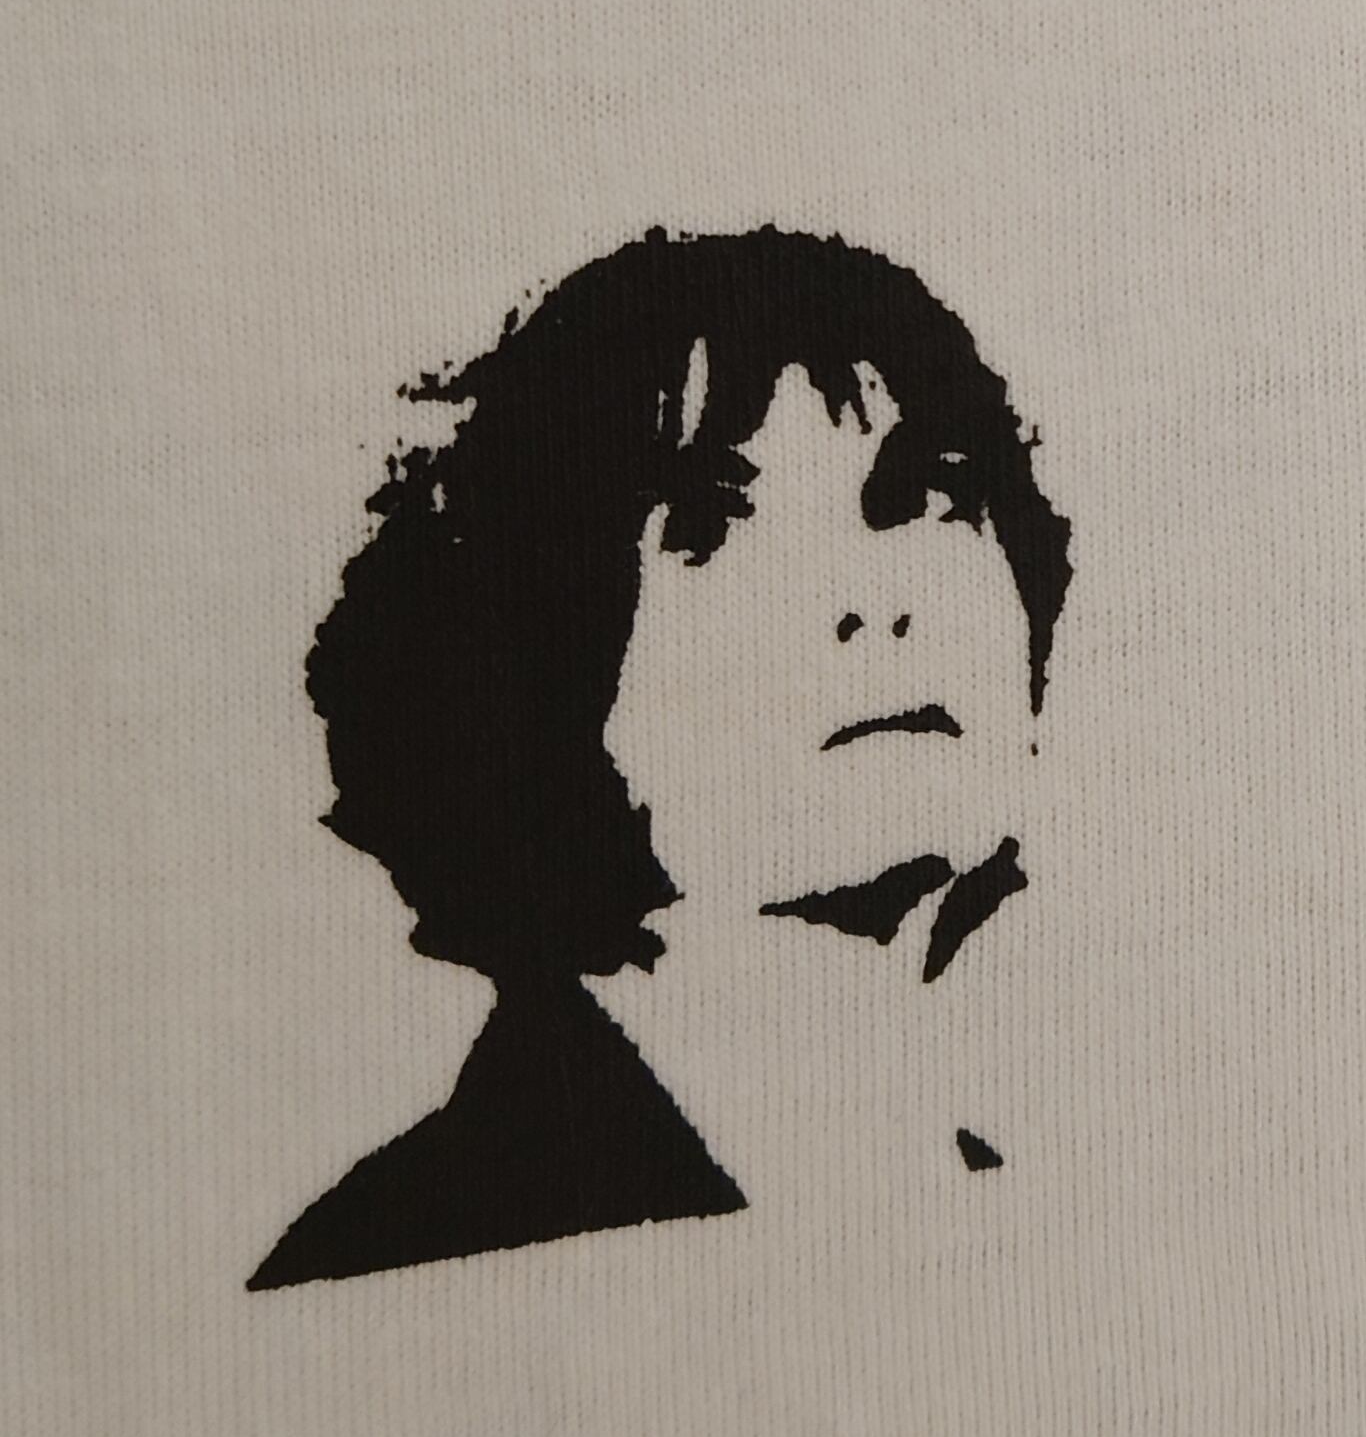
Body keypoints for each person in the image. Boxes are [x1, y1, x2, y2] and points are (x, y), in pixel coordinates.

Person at [248, 225, 1072, 1289]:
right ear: (543, 652)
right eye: (713, 530)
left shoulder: (1052, 1174)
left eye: (925, 497)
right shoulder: (414, 1251)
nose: (874, 603)